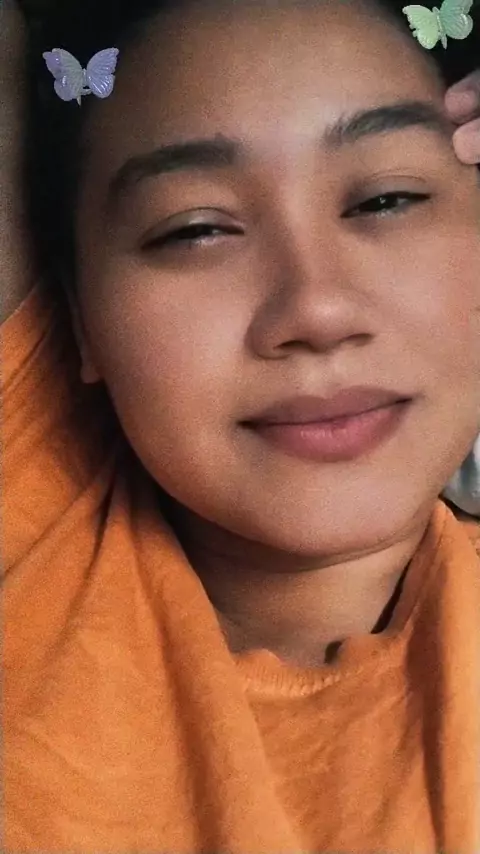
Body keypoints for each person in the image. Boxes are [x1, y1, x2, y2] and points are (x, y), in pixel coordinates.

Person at [2, 0, 480, 850]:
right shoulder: (35, 540)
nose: (317, 310)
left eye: (387, 199)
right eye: (196, 230)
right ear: (80, 322)